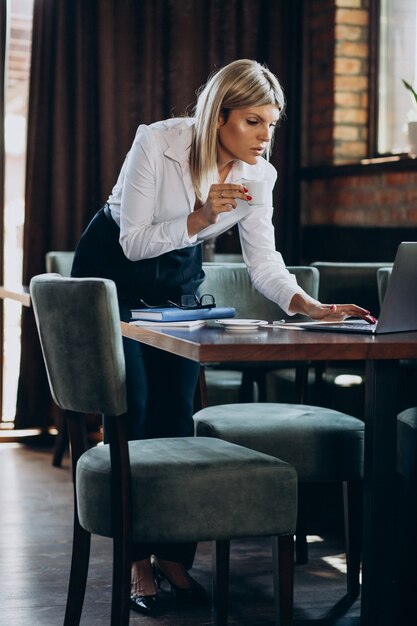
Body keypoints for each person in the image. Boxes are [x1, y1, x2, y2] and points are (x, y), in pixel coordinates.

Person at [71, 58, 375, 615]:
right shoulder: (157, 143)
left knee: (174, 414)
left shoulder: (260, 175)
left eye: (273, 125)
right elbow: (135, 242)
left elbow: (265, 262)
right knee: (134, 412)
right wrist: (200, 214)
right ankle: (137, 562)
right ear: (219, 118)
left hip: (179, 274)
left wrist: (310, 305)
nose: (266, 137)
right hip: (116, 270)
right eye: (255, 122)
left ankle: (172, 558)